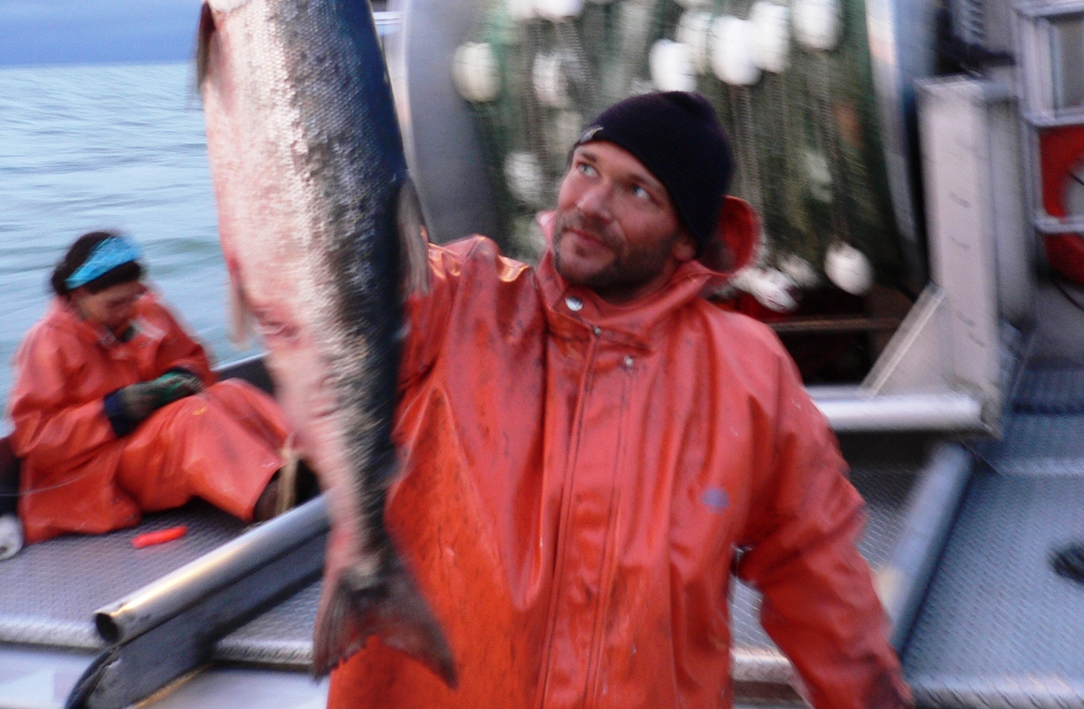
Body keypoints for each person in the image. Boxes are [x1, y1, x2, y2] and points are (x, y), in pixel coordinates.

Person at [328, 92, 912, 709]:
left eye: (639, 192)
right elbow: (336, 261)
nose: (591, 205)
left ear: (686, 240)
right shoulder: (461, 299)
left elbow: (812, 565)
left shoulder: (747, 374)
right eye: (586, 168)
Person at [7, 231, 297, 544]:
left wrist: (181, 377)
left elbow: (194, 359)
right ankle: (272, 499)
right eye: (113, 304)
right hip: (98, 474)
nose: (126, 310)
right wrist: (113, 410)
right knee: (192, 417)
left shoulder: (145, 309)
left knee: (232, 391)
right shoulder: (46, 341)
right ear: (78, 295)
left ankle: (310, 458)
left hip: (152, 443)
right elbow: (33, 438)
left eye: (131, 298)